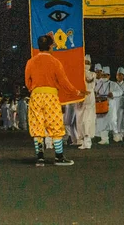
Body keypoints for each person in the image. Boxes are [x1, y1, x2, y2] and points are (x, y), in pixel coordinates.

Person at [24, 34, 87, 166]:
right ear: (50, 46)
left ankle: (40, 157)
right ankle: (59, 157)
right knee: (55, 124)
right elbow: (64, 82)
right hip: (50, 97)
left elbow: (27, 82)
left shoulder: (30, 62)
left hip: (35, 96)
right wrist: (76, 92)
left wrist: (34, 89)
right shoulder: (55, 62)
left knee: (37, 125)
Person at [95, 66, 123, 145]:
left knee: (112, 120)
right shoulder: (98, 84)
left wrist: (113, 94)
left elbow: (120, 92)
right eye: (103, 75)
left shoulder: (113, 84)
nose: (104, 77)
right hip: (101, 105)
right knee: (101, 121)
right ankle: (104, 139)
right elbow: (95, 93)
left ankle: (116, 135)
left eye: (105, 75)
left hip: (110, 104)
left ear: (109, 76)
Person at [76, 54, 96, 149]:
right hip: (80, 98)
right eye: (85, 62)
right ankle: (83, 140)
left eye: (88, 63)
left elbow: (89, 80)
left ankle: (88, 141)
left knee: (87, 120)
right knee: (79, 120)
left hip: (89, 98)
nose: (86, 64)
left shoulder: (93, 74)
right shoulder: (78, 73)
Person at [113, 67, 124, 142]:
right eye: (118, 75)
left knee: (122, 119)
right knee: (115, 119)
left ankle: (121, 133)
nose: (119, 76)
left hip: (122, 104)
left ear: (123, 76)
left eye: (121, 75)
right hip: (115, 104)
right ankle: (115, 134)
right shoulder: (113, 84)